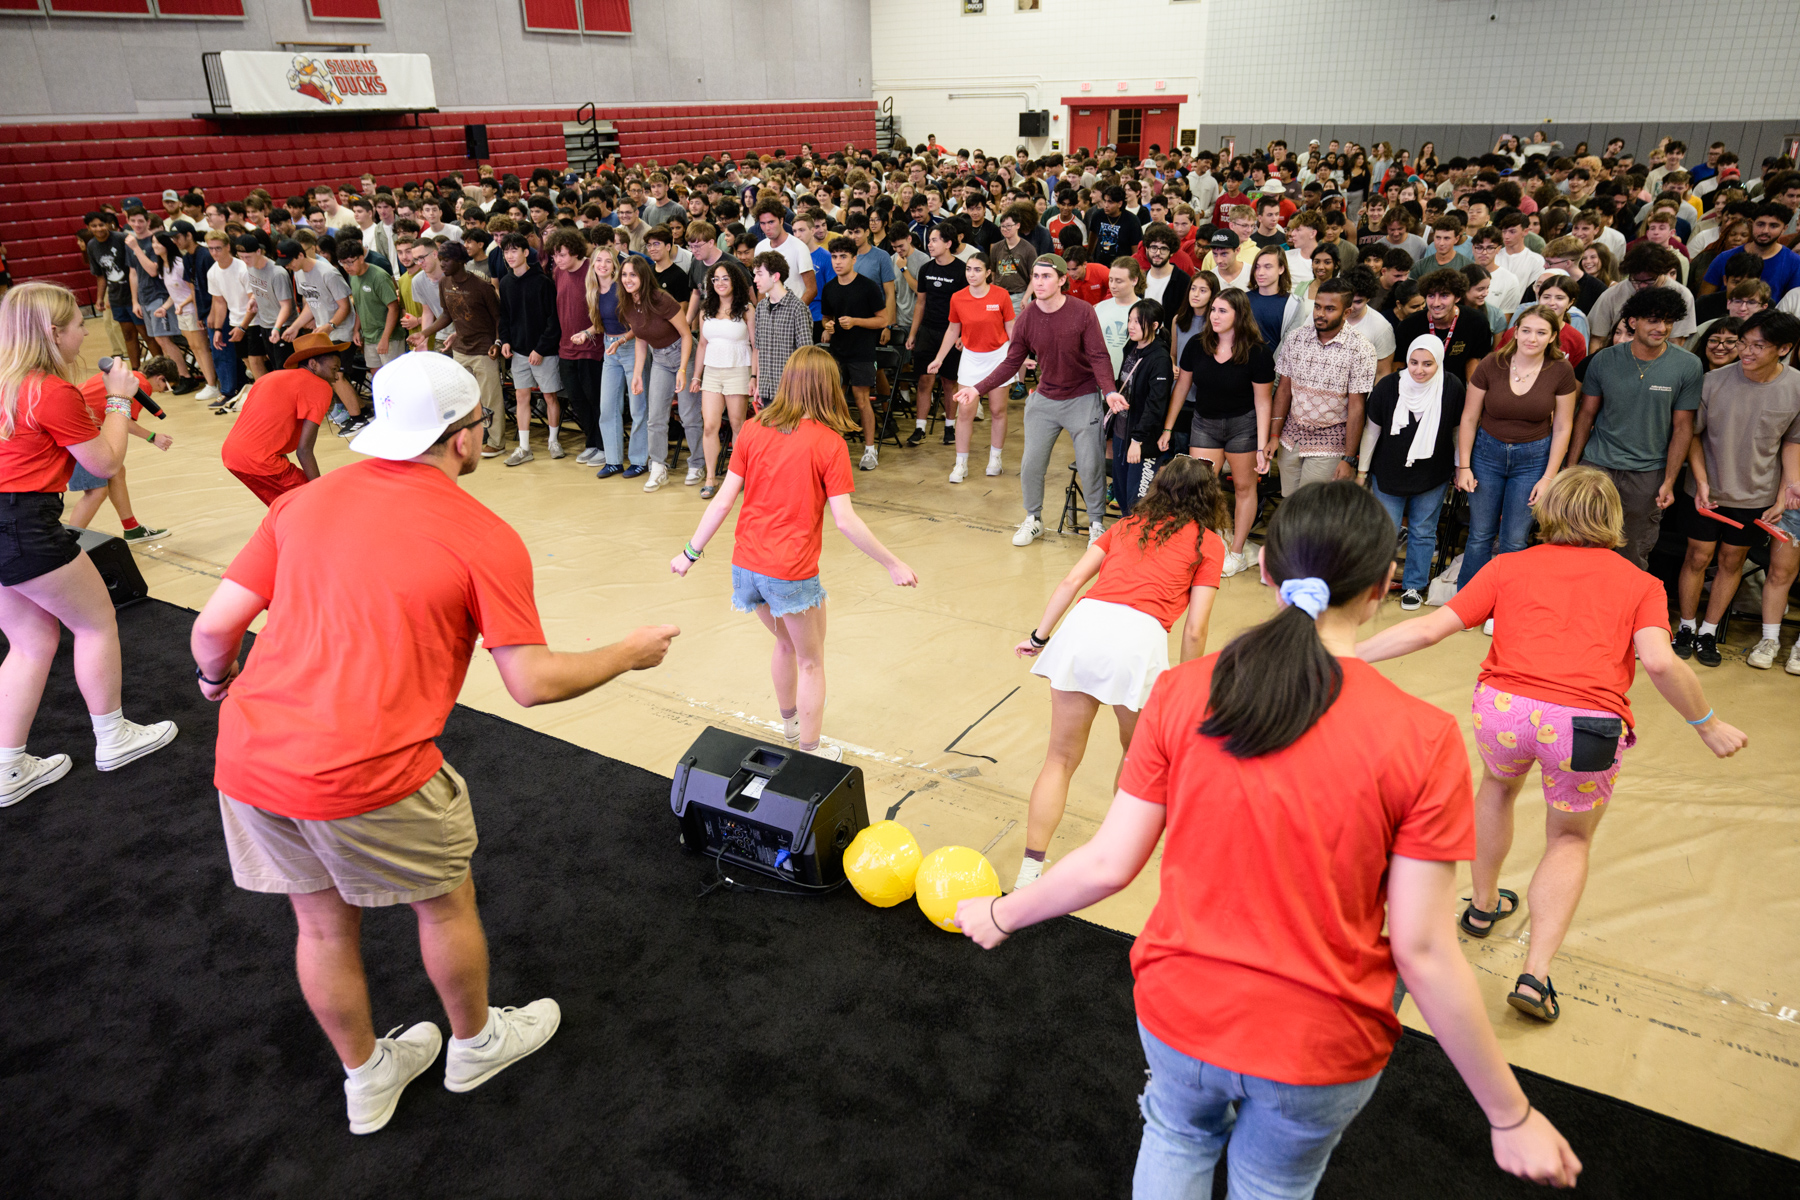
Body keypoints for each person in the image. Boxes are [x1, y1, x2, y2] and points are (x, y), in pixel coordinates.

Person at [957, 481, 1581, 1195]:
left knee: (1175, 1138)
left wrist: (1003, 912)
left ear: (1265, 571)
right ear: (1381, 587)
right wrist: (1508, 1115)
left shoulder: (1182, 693)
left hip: (1181, 1013)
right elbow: (1424, 949)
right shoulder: (1425, 738)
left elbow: (1107, 863)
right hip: (1319, 1045)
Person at [190, 351, 680, 1136]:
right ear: (462, 437)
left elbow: (214, 630)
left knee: (320, 926)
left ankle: (365, 1079)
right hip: (370, 771)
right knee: (446, 904)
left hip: (250, 760)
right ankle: (476, 1044)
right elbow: (532, 683)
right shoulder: (481, 535)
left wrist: (217, 683)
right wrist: (628, 652)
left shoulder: (301, 504)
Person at [1358, 468, 1747, 1025]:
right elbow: (1660, 662)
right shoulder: (1640, 583)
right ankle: (1534, 976)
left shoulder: (1508, 565)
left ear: (1548, 511)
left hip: (1503, 711)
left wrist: (1348, 655)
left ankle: (1482, 908)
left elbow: (1426, 630)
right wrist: (1706, 723)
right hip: (1583, 725)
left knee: (1496, 790)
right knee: (1568, 838)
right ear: (1612, 518)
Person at [670, 347, 915, 757]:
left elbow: (723, 500)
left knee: (785, 645)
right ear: (829, 388)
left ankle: (790, 726)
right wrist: (892, 563)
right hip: (790, 572)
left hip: (747, 568)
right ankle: (810, 752)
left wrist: (690, 553)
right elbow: (845, 520)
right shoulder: (830, 444)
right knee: (811, 661)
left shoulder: (753, 429)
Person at [1008, 457, 1224, 891]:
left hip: (1084, 626)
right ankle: (1113, 856)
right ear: (1208, 498)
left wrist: (1039, 636)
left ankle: (1029, 873)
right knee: (1135, 757)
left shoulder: (1126, 525)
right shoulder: (1209, 543)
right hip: (1138, 643)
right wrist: (1186, 687)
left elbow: (1071, 582)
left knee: (1059, 760)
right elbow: (1195, 629)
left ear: (1158, 487)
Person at [0, 283, 178, 807]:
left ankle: (8, 767)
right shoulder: (49, 390)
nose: (85, 333)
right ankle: (114, 736)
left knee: (30, 642)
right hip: (25, 524)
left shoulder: (8, 385)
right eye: (79, 325)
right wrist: (119, 398)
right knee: (95, 622)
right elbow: (104, 462)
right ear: (54, 333)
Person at [957, 256, 1126, 548]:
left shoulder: (1083, 312)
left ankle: (1096, 524)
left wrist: (1109, 392)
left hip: (1082, 397)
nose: (1039, 282)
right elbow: (1011, 362)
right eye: (1035, 276)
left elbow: (1099, 356)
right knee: (1031, 465)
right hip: (1045, 399)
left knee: (1091, 464)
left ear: (1062, 280)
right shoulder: (1027, 317)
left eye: (1046, 276)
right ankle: (1033, 519)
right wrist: (977, 388)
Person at [1674, 310, 1800, 669]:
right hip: (1707, 492)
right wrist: (1701, 481)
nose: (1746, 351)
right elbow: (1692, 435)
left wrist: (1784, 494)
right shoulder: (1713, 381)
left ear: (1783, 348)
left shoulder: (1796, 387)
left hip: (1757, 496)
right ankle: (1686, 627)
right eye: (1743, 343)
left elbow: (1792, 443)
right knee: (1697, 558)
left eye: (1758, 346)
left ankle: (1709, 631)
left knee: (1732, 561)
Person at [1568, 287, 1703, 569]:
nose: (1662, 328)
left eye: (1668, 321)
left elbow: (1683, 428)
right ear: (1633, 321)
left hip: (1648, 473)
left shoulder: (1688, 365)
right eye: (1653, 320)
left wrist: (1669, 480)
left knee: (1632, 554)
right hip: (1597, 466)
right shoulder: (1604, 359)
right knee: (1580, 543)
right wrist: (1572, 467)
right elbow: (1585, 415)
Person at [1455, 308, 1580, 594]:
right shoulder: (1492, 363)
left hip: (1533, 460)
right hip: (1486, 455)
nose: (1531, 338)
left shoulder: (1561, 370)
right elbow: (1469, 418)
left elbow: (1563, 427)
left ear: (1553, 337)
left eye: (1541, 332)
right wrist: (1464, 466)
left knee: (1514, 539)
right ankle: (1468, 602)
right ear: (1515, 331)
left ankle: (1507, 605)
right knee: (1480, 535)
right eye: (1526, 330)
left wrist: (1548, 477)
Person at [1160, 288, 1272, 578]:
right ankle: (1201, 546)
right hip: (1205, 424)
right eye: (1213, 310)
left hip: (1243, 426)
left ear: (1239, 314)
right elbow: (1182, 387)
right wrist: (1168, 427)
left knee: (1244, 488)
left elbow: (1263, 401)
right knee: (1200, 487)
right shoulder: (1197, 345)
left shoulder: (1258, 352)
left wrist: (1262, 447)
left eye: (1223, 311)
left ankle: (1237, 552)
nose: (1215, 316)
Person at [1364, 336, 1465, 609]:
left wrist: (1460, 466)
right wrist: (1362, 470)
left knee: (1423, 530)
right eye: (1414, 362)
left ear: (1439, 362)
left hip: (1433, 473)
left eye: (1427, 364)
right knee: (1385, 530)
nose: (1419, 370)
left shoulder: (1452, 386)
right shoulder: (1389, 385)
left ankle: (1414, 586)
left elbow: (1458, 431)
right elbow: (1372, 431)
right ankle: (1377, 581)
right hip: (1388, 471)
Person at [1271, 277, 1376, 496]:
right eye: (1318, 306)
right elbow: (1283, 390)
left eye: (1329, 309)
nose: (1320, 313)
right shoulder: (1296, 338)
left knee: (1313, 506)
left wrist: (1349, 458)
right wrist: (1274, 435)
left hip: (1330, 442)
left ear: (1346, 313)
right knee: (1289, 502)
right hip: (1290, 438)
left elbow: (1357, 407)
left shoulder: (1361, 349)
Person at [221, 332, 348, 505]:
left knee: (284, 505)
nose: (336, 376)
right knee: (311, 502)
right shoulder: (320, 386)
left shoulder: (268, 377)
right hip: (260, 459)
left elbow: (269, 431)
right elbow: (304, 450)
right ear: (313, 364)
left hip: (231, 454)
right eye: (334, 369)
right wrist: (319, 489)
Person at [67, 356, 176, 542]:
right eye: (166, 388)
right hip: (78, 428)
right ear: (160, 378)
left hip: (81, 424)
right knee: (96, 492)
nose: (161, 392)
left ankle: (132, 528)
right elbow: (123, 419)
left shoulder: (127, 375)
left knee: (117, 471)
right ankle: (69, 542)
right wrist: (152, 437)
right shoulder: (139, 385)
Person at [930, 253, 1015, 483]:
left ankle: (995, 459)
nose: (971, 274)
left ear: (988, 273)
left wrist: (1019, 356)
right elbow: (952, 330)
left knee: (997, 410)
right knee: (965, 412)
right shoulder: (957, 297)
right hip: (971, 358)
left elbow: (1011, 328)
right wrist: (939, 358)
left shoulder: (1001, 295)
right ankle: (961, 464)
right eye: (968, 269)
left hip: (998, 357)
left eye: (977, 269)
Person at [619, 256, 699, 491]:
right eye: (624, 275)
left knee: (688, 415)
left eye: (633, 275)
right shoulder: (627, 303)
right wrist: (637, 374)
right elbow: (640, 338)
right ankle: (658, 467)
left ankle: (697, 463)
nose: (627, 279)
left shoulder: (661, 299)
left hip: (684, 354)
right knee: (655, 417)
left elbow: (686, 334)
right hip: (660, 360)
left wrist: (683, 369)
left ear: (643, 276)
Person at [416, 243, 503, 456]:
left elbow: (499, 318)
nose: (442, 264)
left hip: (484, 350)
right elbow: (447, 315)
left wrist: (497, 342)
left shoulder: (481, 287)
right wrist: (424, 333)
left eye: (447, 260)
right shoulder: (444, 282)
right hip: (461, 349)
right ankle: (471, 436)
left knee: (490, 398)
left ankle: (497, 441)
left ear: (461, 261)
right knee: (464, 399)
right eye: (441, 259)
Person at [819, 236, 886, 471]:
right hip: (837, 353)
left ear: (854, 259)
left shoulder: (868, 286)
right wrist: (827, 326)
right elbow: (826, 317)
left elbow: (883, 320)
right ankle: (835, 449)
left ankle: (870, 450)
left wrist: (856, 321)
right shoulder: (829, 288)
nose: (838, 262)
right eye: (834, 257)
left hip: (862, 352)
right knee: (834, 401)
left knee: (862, 400)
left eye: (843, 257)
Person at [496, 233, 563, 465]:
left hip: (544, 352)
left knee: (550, 396)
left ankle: (553, 441)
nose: (510, 255)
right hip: (519, 351)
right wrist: (505, 340)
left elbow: (554, 321)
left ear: (526, 252)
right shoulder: (505, 283)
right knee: (521, 396)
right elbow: (505, 317)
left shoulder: (543, 282)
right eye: (506, 251)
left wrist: (541, 349)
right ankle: (524, 447)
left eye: (514, 250)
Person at [692, 258, 756, 497]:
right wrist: (696, 376)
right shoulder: (705, 309)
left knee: (738, 425)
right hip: (711, 371)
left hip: (738, 370)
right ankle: (710, 478)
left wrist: (754, 375)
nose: (720, 283)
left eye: (725, 278)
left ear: (734, 281)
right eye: (715, 279)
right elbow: (702, 345)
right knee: (710, 425)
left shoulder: (747, 309)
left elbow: (756, 345)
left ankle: (736, 476)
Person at [905, 225, 967, 445]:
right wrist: (913, 333)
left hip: (952, 332)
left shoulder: (961, 270)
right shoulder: (926, 269)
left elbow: (967, 307)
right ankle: (920, 428)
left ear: (948, 243)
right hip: (928, 331)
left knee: (950, 381)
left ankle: (950, 427)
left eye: (934, 240)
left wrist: (963, 335)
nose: (929, 244)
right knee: (924, 380)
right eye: (929, 240)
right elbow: (920, 303)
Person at [547, 230, 605, 466]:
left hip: (592, 346)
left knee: (595, 399)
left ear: (574, 251)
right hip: (566, 347)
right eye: (554, 255)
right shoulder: (557, 272)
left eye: (561, 254)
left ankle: (604, 446)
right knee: (577, 399)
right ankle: (591, 443)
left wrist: (589, 332)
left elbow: (606, 307)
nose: (557, 259)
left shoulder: (593, 269)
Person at [1113, 300, 1173, 516]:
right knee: (1121, 495)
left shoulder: (1160, 358)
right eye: (1130, 320)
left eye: (1138, 322)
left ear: (1155, 325)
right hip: (1121, 432)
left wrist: (1137, 440)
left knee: (1138, 502)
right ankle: (1126, 535)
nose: (1131, 326)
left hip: (1142, 441)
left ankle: (1137, 537)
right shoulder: (1131, 347)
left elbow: (1156, 405)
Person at [751, 250, 814, 414]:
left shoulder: (797, 308)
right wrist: (759, 384)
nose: (755, 279)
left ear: (775, 276)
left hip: (791, 391)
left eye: (759, 274)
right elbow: (760, 349)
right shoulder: (761, 308)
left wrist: (800, 391)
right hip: (766, 389)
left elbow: (806, 355)